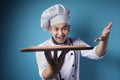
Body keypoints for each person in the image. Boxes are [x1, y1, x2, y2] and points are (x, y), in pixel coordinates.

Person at [36, 4, 112, 80]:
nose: (61, 33)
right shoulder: (42, 47)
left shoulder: (76, 43)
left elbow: (96, 54)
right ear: (50, 30)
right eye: (56, 29)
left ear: (69, 29)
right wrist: (52, 70)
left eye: (64, 28)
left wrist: (104, 41)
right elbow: (44, 75)